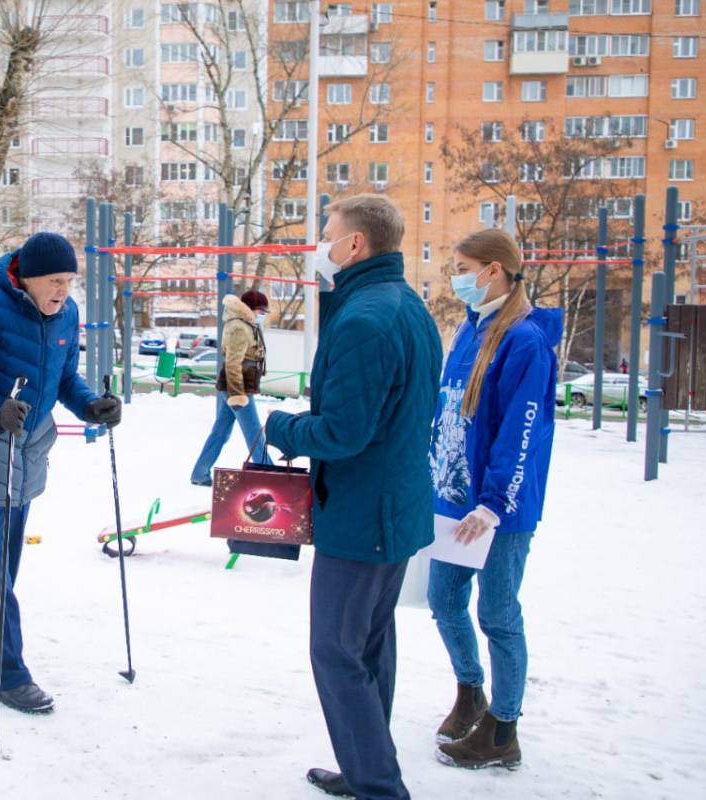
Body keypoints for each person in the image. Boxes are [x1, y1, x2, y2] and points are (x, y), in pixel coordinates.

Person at [263, 194, 441, 800]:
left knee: (337, 653)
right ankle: (366, 768)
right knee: (367, 646)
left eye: (327, 233)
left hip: (365, 515)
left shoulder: (366, 319)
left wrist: (280, 427)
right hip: (389, 510)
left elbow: (343, 432)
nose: (321, 244)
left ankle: (379, 787)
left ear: (355, 244)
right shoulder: (405, 306)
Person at [0, 231, 121, 714]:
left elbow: (63, 376)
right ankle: (8, 673)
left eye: (69, 281)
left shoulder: (66, 315)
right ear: (27, 278)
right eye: (54, 281)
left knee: (4, 567)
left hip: (28, 452)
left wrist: (90, 406)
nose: (62, 291)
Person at [427, 229, 561, 770]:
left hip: (497, 511)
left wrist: (493, 503)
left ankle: (504, 729)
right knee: (444, 600)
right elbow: (450, 412)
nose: (456, 276)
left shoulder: (524, 340)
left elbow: (521, 430)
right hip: (456, 497)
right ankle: (470, 692)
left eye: (463, 266)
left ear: (494, 270)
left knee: (499, 614)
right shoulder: (470, 329)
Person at [189, 289, 272, 486]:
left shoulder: (246, 325)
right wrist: (237, 394)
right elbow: (233, 364)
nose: (261, 316)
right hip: (238, 389)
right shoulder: (239, 327)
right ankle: (269, 474)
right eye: (260, 311)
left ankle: (200, 473)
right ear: (250, 309)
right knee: (254, 434)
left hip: (237, 387)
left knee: (221, 432)